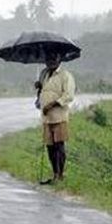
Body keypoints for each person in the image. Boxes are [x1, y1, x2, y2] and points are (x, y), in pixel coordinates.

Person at [33, 51, 75, 184]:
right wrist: (40, 87)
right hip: (46, 117)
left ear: (59, 59)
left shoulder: (65, 75)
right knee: (50, 146)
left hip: (59, 117)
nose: (50, 61)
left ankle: (60, 174)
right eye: (48, 59)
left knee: (59, 145)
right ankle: (55, 174)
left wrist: (51, 104)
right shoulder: (45, 75)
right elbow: (43, 94)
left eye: (53, 58)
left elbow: (68, 95)